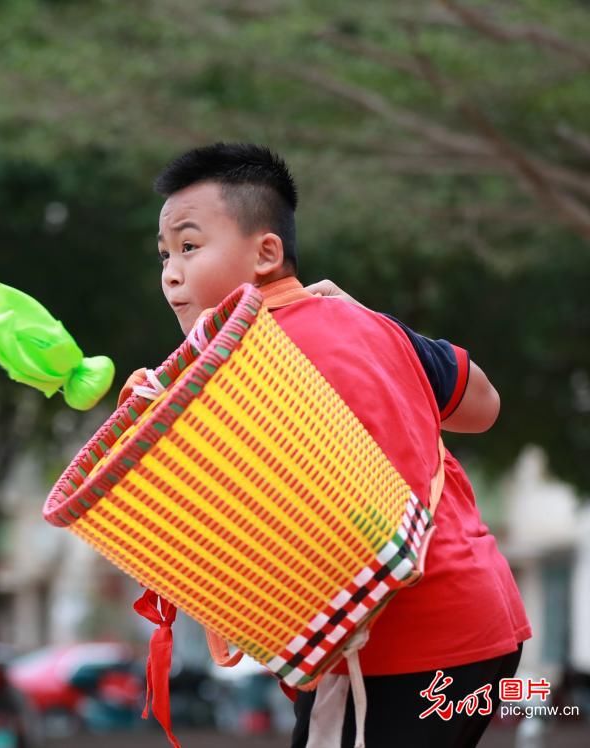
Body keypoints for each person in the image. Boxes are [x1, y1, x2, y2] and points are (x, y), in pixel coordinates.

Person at [120, 143, 531, 747]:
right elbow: (483, 408)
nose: (171, 272)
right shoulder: (363, 323)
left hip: (401, 648)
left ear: (266, 253)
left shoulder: (231, 371)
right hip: (483, 620)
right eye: (164, 255)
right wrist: (378, 324)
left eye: (189, 246)